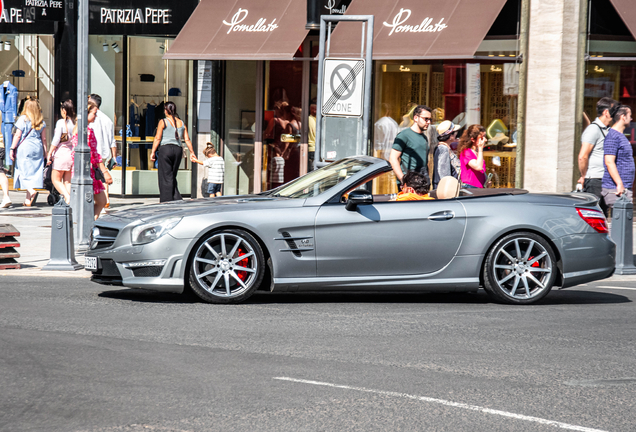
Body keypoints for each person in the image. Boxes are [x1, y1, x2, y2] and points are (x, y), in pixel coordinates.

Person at [71, 100, 113, 219]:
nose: (95, 116)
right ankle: (89, 225)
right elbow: (94, 155)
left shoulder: (77, 130)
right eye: (94, 113)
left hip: (82, 170)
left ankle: (89, 223)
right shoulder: (87, 131)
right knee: (100, 200)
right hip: (88, 171)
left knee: (96, 201)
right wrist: (105, 172)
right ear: (87, 114)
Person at [578, 97, 618, 214]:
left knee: (603, 215)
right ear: (606, 112)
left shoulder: (608, 130)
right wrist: (584, 176)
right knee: (594, 215)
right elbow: (583, 156)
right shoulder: (593, 129)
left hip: (605, 179)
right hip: (595, 180)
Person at [150, 101, 196, 202]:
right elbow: (187, 139)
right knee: (171, 176)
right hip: (177, 150)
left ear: (166, 111)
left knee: (165, 177)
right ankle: (177, 198)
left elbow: (157, 138)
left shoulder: (163, 121)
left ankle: (167, 201)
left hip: (165, 149)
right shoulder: (181, 122)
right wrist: (192, 152)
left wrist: (153, 151)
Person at [9, 98, 47, 206]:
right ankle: (27, 199)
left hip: (25, 148)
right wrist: (46, 153)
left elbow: (17, 135)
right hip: (37, 147)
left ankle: (31, 190)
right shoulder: (41, 121)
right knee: (32, 172)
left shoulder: (23, 119)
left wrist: (12, 148)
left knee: (22, 170)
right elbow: (44, 139)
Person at [389, 105, 432, 187]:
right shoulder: (404, 135)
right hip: (409, 183)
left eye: (430, 119)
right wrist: (403, 180)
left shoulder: (424, 137)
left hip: (422, 183)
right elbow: (393, 159)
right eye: (426, 119)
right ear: (416, 118)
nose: (429, 122)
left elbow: (426, 162)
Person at [602, 104, 634, 210]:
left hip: (623, 187)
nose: (631, 118)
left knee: (623, 223)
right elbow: (609, 162)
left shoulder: (620, 136)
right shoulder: (612, 136)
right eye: (630, 115)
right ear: (623, 117)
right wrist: (619, 184)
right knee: (620, 223)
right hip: (615, 189)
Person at [88, 94, 117, 208]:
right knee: (101, 174)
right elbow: (112, 140)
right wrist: (114, 156)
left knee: (98, 175)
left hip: (94, 152)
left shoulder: (92, 118)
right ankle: (106, 197)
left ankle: (101, 198)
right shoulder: (107, 119)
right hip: (104, 151)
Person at [47, 99, 76, 204]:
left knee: (55, 179)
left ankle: (67, 198)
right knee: (67, 181)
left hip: (61, 153)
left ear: (64, 110)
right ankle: (72, 199)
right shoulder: (75, 123)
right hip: (71, 153)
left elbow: (56, 139)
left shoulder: (61, 122)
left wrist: (50, 152)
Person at [433, 120, 461, 189]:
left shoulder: (444, 147)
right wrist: (448, 189)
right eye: (455, 132)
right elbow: (444, 173)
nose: (456, 134)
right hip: (446, 190)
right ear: (450, 136)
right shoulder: (443, 149)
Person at [458, 124, 488, 189]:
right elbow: (478, 167)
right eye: (482, 138)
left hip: (479, 187)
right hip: (469, 187)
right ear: (473, 139)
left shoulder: (477, 153)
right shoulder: (466, 152)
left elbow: (481, 170)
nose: (485, 140)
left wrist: (485, 181)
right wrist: (480, 149)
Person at [307, 103, 316, 171]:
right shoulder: (313, 120)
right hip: (313, 148)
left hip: (310, 148)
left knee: (310, 170)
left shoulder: (309, 119)